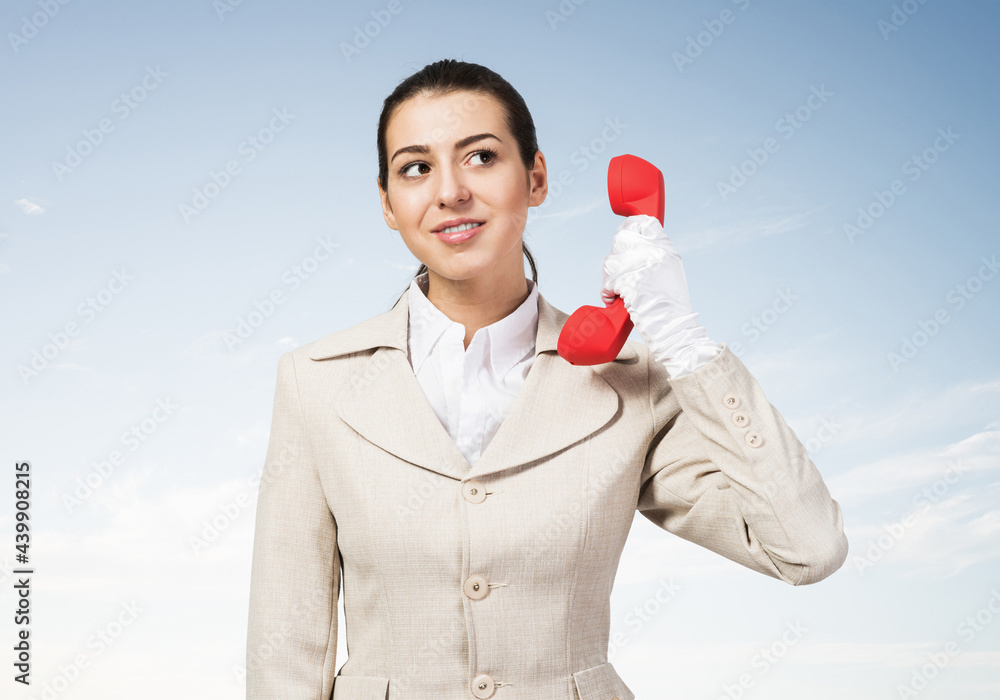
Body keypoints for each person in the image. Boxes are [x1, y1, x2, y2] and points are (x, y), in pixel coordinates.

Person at [246, 58, 848, 700]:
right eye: (416, 168)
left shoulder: (632, 385)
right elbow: (287, 644)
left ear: (534, 178)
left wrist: (683, 341)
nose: (449, 191)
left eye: (480, 157)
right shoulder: (315, 382)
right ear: (389, 204)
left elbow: (806, 548)